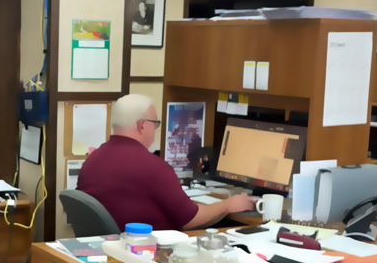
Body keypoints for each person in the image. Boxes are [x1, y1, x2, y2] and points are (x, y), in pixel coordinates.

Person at [77, 95, 255, 231]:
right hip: (147, 253)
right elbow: (189, 219)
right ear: (142, 125)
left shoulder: (93, 159)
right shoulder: (153, 167)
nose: (156, 129)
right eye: (156, 124)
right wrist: (228, 205)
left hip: (109, 251)